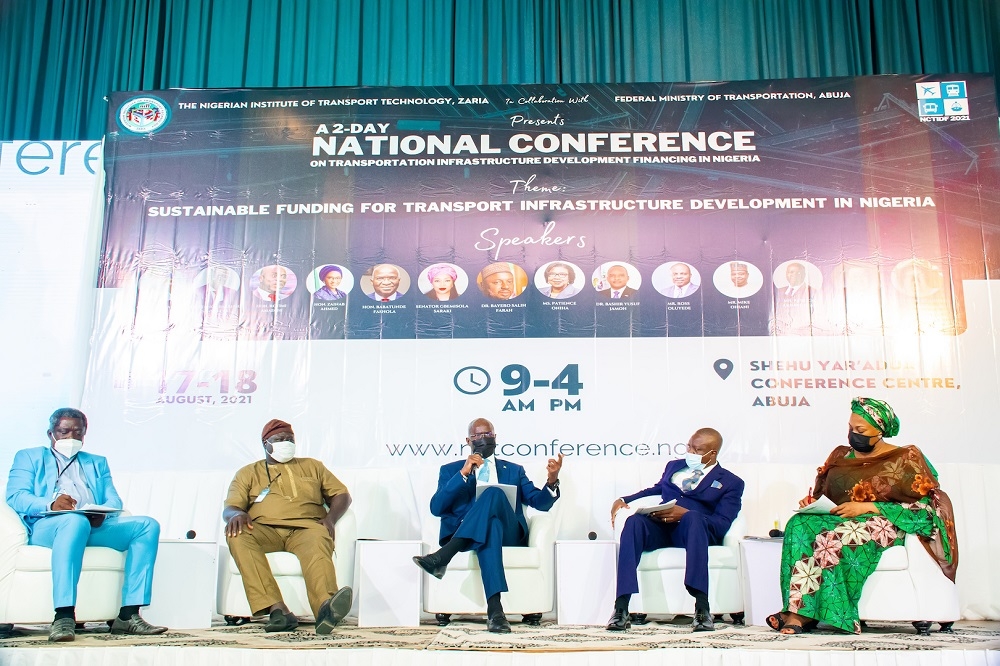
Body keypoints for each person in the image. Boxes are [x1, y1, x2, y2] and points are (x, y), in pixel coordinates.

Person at [768, 398, 958, 635]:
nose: (853, 434)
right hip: (840, 517)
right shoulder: (840, 455)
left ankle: (798, 615)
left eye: (861, 430)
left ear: (880, 430)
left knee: (831, 538)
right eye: (850, 428)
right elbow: (824, 495)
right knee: (798, 524)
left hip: (885, 522)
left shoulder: (906, 457)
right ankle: (800, 609)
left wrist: (869, 508)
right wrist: (812, 504)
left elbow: (927, 509)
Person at [5, 408, 167, 642]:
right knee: (73, 521)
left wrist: (101, 512)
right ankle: (64, 616)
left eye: (77, 433)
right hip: (48, 527)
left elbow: (114, 499)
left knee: (146, 526)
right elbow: (16, 496)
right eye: (63, 432)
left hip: (90, 524)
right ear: (50, 433)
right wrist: (51, 503)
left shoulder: (96, 462)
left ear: (84, 434)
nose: (70, 438)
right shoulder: (29, 457)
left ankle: (129, 615)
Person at [412, 418, 563, 633]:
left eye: (488, 434)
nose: (484, 439)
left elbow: (540, 503)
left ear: (495, 437)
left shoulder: (513, 470)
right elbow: (437, 508)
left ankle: (443, 556)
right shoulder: (451, 470)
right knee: (491, 527)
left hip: (510, 533)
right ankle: (495, 612)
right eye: (478, 436)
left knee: (494, 492)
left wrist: (552, 480)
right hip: (473, 533)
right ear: (468, 440)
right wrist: (463, 474)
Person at [223, 419, 353, 634]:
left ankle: (326, 608)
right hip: (264, 530)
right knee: (237, 534)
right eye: (279, 439)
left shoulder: (313, 466)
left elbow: (342, 495)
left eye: (290, 439)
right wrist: (236, 514)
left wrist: (330, 520)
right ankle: (278, 611)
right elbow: (231, 507)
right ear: (266, 444)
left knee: (319, 537)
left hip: (306, 529)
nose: (286, 443)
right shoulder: (248, 472)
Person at [607, 427, 743, 632]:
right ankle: (621, 608)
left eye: (696, 450)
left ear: (712, 453)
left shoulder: (731, 482)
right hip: (663, 528)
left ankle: (702, 608)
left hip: (694, 532)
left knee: (694, 518)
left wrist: (685, 513)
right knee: (634, 522)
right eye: (689, 446)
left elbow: (722, 523)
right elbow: (657, 489)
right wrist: (625, 499)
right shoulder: (674, 466)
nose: (690, 452)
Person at [771, 262, 818, 335]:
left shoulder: (813, 292)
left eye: (793, 272)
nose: (790, 275)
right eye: (789, 272)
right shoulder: (779, 291)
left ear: (802, 275)